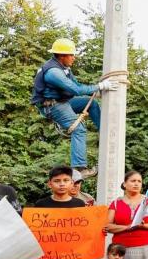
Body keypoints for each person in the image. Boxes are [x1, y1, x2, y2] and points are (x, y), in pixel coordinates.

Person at [30, 38, 119, 177]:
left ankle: (104, 133)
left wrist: (96, 92)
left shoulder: (64, 69)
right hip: (53, 106)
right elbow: (76, 89)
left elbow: (77, 85)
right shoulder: (54, 73)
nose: (74, 57)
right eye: (71, 55)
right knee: (79, 128)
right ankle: (79, 169)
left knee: (92, 105)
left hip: (62, 102)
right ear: (61, 55)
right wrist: (100, 86)